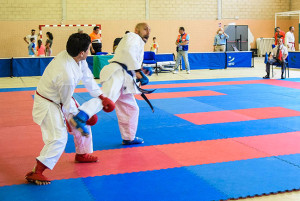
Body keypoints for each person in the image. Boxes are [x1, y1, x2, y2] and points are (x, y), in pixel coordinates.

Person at [25, 33, 115, 185]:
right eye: (88, 49)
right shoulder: (66, 73)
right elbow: (66, 102)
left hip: (60, 97)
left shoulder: (76, 58)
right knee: (59, 137)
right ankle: (37, 171)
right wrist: (72, 118)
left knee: (84, 122)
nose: (90, 50)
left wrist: (102, 97)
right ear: (82, 52)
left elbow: (87, 77)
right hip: (48, 102)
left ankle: (82, 154)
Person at [70, 22, 152, 146]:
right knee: (107, 98)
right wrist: (139, 71)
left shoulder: (138, 42)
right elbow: (127, 52)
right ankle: (81, 115)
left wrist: (142, 69)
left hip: (125, 78)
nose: (148, 32)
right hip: (117, 74)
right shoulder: (133, 37)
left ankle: (128, 137)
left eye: (149, 30)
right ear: (136, 30)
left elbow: (129, 58)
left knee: (131, 108)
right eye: (145, 29)